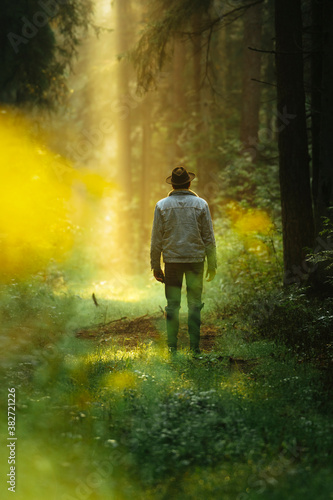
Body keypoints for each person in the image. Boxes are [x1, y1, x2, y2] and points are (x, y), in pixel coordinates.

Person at [150, 166, 217, 354]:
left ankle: (172, 348)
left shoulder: (161, 205)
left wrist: (155, 265)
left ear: (172, 184)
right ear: (189, 183)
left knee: (172, 305)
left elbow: (156, 239)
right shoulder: (201, 204)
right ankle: (195, 348)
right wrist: (212, 263)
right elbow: (208, 237)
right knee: (195, 304)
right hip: (196, 260)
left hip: (172, 262)